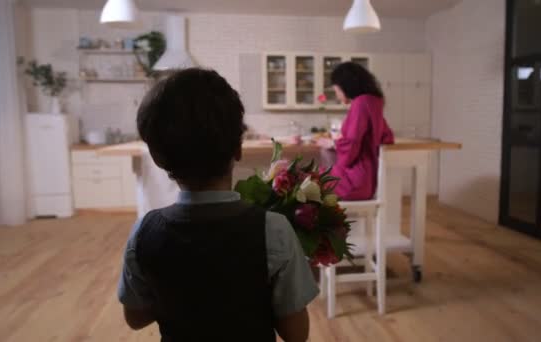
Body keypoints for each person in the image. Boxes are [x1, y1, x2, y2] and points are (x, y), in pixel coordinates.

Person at [117, 68, 318, 342]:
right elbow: (296, 334)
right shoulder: (273, 230)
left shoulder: (144, 233)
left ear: (157, 156)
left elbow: (135, 317)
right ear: (238, 148)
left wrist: (180, 289)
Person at [320, 62, 395, 200]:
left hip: (354, 182)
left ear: (345, 87)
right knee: (312, 177)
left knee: (304, 180)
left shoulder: (360, 104)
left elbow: (352, 143)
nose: (337, 95)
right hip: (368, 180)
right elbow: (387, 137)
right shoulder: (374, 102)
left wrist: (333, 144)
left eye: (336, 91)